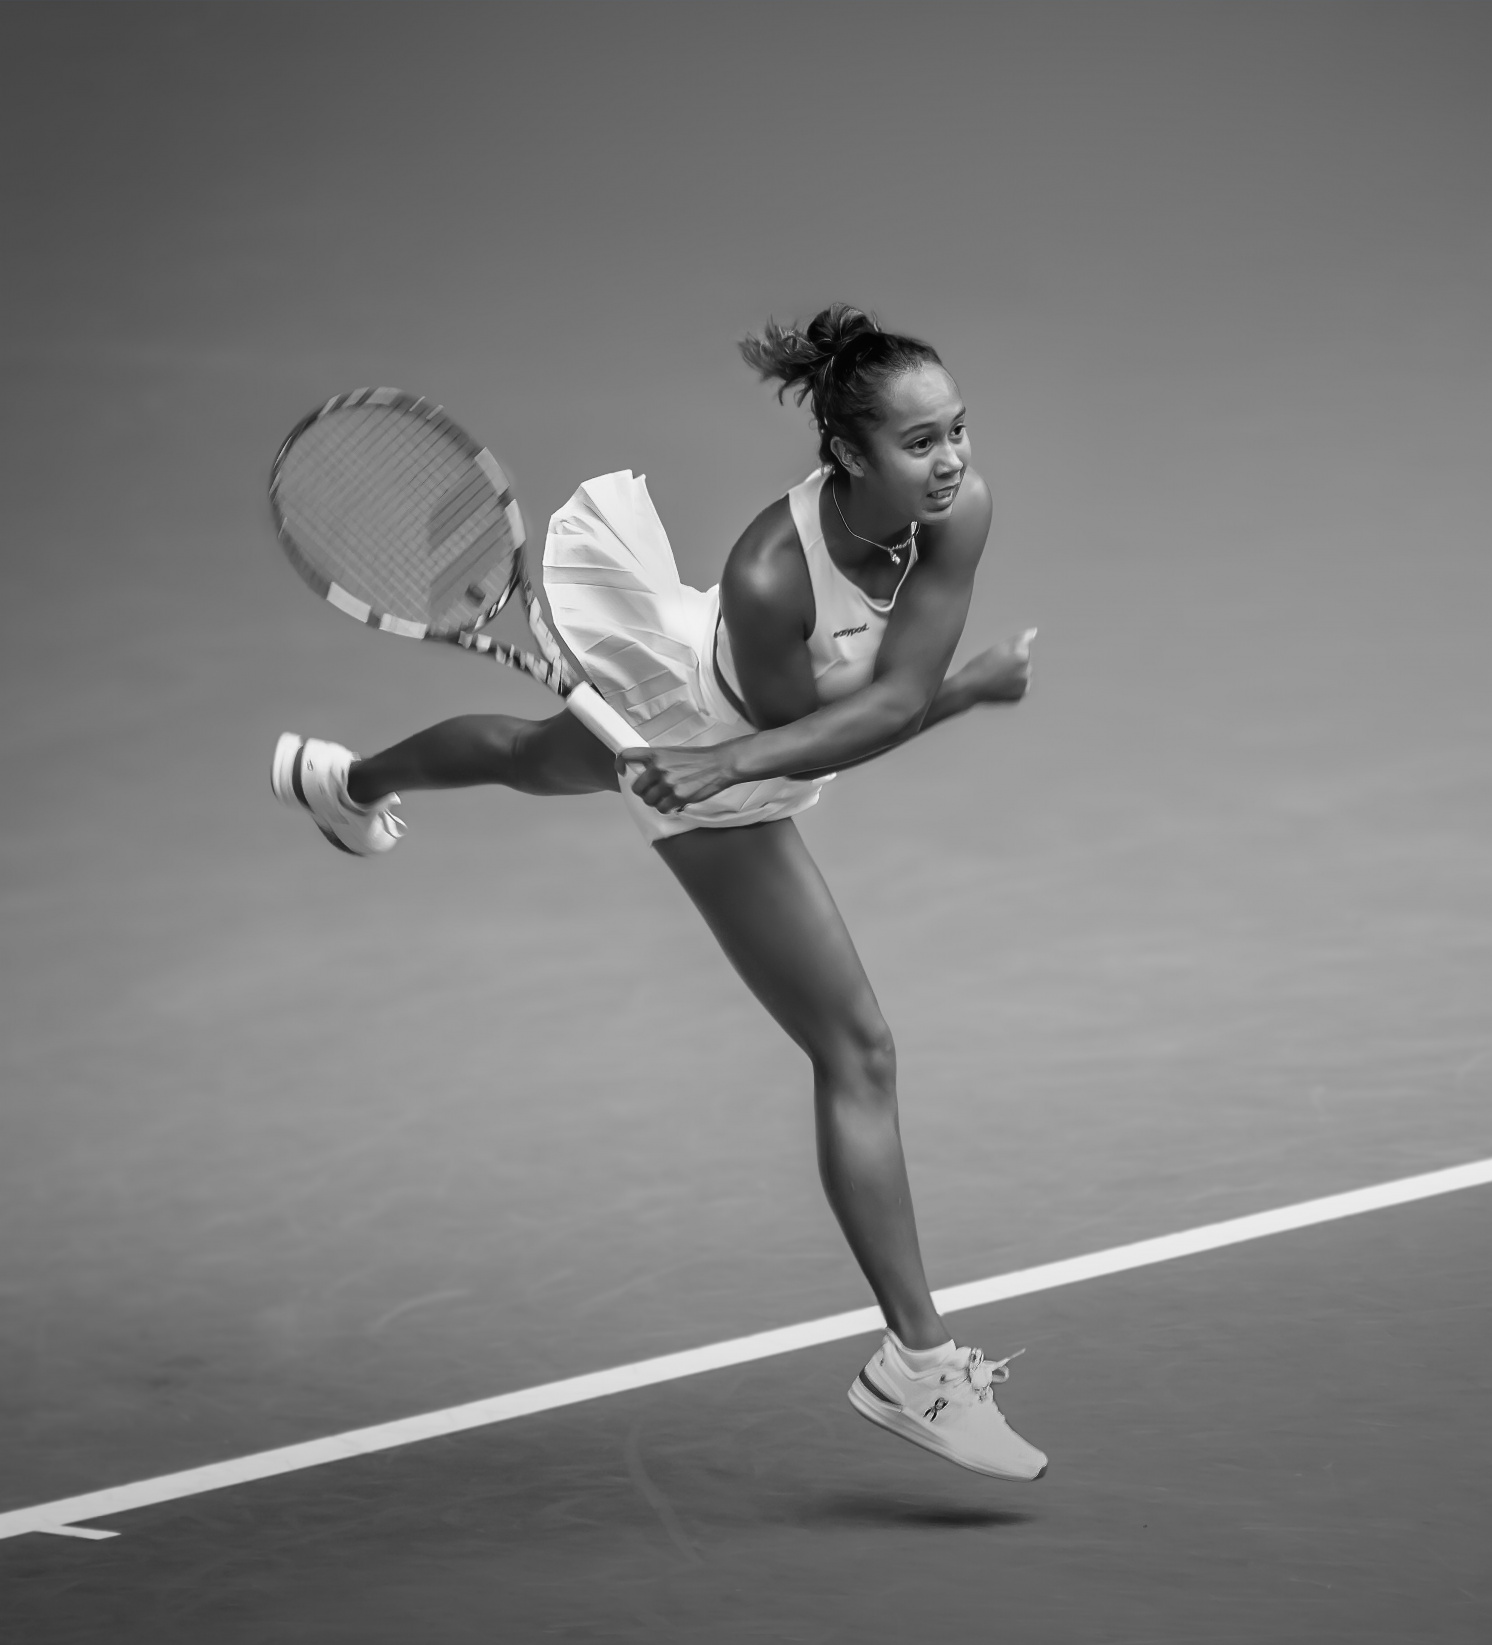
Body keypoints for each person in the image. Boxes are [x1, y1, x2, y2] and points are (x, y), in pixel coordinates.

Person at [269, 306, 1046, 1482]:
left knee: (534, 756)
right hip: (717, 753)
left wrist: (939, 693)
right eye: (919, 442)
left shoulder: (958, 510)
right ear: (849, 453)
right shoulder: (772, 571)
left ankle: (342, 782)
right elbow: (818, 737)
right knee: (858, 1050)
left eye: (957, 431)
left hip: (729, 739)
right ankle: (918, 1366)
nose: (950, 460)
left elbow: (889, 701)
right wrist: (750, 757)